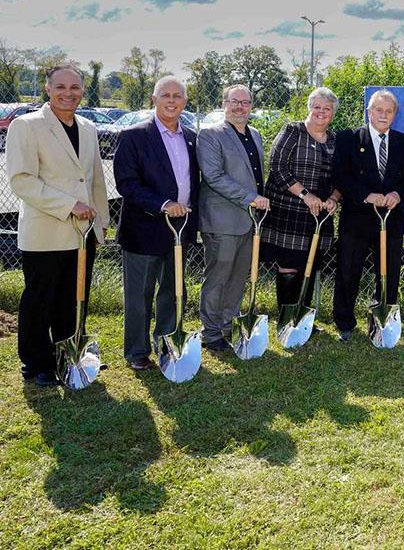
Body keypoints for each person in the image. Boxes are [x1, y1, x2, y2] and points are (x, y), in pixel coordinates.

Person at [6, 65, 110, 387]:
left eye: (75, 87)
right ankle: (37, 363)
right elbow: (21, 181)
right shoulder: (27, 126)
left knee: (74, 297)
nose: (68, 93)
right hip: (46, 231)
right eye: (61, 87)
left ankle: (69, 354)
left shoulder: (89, 128)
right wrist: (69, 206)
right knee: (41, 298)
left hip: (83, 232)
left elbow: (93, 181)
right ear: (47, 89)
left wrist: (101, 223)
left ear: (82, 91)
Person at [113, 76, 199, 370]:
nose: (172, 101)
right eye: (166, 95)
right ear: (154, 99)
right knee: (140, 294)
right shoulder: (134, 136)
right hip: (144, 229)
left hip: (180, 229)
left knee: (174, 290)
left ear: (185, 102)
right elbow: (127, 183)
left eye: (178, 96)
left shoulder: (191, 137)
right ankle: (137, 351)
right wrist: (163, 205)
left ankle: (168, 341)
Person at [332, 89, 404, 342]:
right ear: (369, 112)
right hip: (356, 217)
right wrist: (365, 195)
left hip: (391, 219)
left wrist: (397, 194)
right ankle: (345, 322)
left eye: (388, 111)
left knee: (388, 272)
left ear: (394, 115)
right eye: (378, 110)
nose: (383, 115)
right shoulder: (349, 139)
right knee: (349, 270)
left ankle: (382, 320)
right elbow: (340, 176)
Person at [197, 84, 269, 352]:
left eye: (245, 102)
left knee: (239, 276)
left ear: (251, 106)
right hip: (222, 219)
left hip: (250, 220)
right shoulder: (211, 135)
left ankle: (229, 324)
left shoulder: (256, 135)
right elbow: (214, 177)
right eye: (234, 102)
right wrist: (250, 199)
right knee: (219, 275)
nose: (240, 107)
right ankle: (211, 331)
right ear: (224, 104)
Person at [261, 87, 340, 308]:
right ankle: (287, 317)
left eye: (327, 108)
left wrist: (333, 198)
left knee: (310, 264)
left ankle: (303, 317)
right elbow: (277, 167)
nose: (321, 112)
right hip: (289, 210)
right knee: (289, 264)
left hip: (319, 214)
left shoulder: (335, 140)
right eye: (317, 107)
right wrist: (306, 195)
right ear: (309, 107)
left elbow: (342, 176)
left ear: (333, 113)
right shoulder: (293, 131)